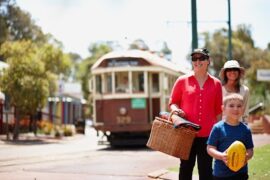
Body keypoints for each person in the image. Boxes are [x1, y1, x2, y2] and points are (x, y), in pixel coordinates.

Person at [169, 48, 223, 180]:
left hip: (208, 136)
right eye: (194, 58)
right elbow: (173, 102)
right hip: (186, 133)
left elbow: (218, 112)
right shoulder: (182, 80)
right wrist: (175, 110)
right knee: (186, 168)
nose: (198, 61)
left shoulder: (216, 84)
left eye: (201, 58)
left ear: (208, 61)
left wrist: (219, 135)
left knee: (205, 171)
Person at [207, 93, 254, 180]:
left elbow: (250, 149)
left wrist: (247, 156)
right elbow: (210, 148)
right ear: (223, 109)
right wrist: (221, 156)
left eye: (239, 106)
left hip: (241, 173)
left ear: (243, 110)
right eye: (231, 105)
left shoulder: (246, 130)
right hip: (221, 174)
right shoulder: (217, 128)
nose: (235, 109)